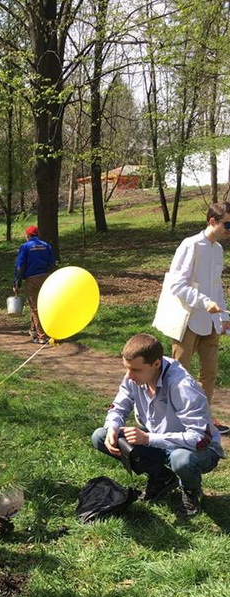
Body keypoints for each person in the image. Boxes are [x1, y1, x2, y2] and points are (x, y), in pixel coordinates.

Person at [91, 333, 223, 517]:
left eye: (136, 370)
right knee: (101, 435)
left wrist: (148, 438)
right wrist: (113, 426)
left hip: (198, 450)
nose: (129, 376)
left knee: (181, 459)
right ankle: (162, 477)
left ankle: (191, 494)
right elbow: (119, 407)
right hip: (158, 439)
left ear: (156, 364)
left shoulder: (182, 386)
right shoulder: (134, 376)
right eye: (127, 368)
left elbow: (201, 438)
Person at [164, 201, 230, 434]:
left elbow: (216, 286)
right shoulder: (190, 245)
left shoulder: (218, 250)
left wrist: (223, 313)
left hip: (211, 322)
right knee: (178, 374)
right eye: (228, 224)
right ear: (212, 221)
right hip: (188, 321)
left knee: (209, 373)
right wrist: (204, 302)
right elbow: (177, 285)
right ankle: (173, 420)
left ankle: (202, 420)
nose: (229, 230)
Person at [13, 225, 55, 343]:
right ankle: (34, 330)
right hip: (46, 278)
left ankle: (42, 336)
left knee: (35, 308)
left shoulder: (25, 247)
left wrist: (17, 283)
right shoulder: (47, 246)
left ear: (27, 236)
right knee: (45, 305)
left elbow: (20, 266)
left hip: (32, 279)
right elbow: (52, 263)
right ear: (38, 235)